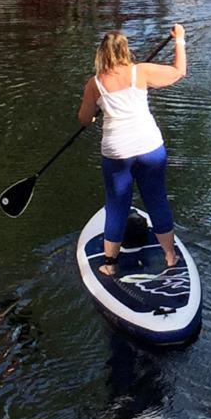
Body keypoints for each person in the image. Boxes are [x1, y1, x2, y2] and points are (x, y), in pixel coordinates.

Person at [77, 25, 186, 278]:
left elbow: (83, 119)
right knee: (156, 199)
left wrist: (93, 115)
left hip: (117, 153)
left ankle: (109, 264)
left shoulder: (94, 84)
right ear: (125, 50)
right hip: (149, 147)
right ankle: (170, 257)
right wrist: (179, 40)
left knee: (117, 206)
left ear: (101, 54)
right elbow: (180, 72)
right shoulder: (141, 72)